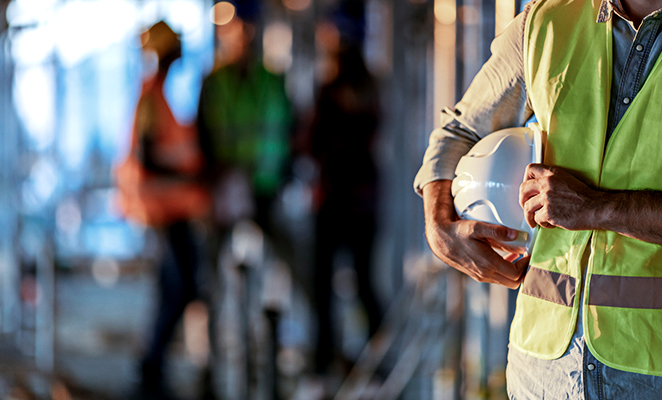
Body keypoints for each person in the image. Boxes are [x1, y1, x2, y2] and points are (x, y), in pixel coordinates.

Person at [415, 0, 662, 398]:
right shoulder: (548, 21)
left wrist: (595, 208)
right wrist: (439, 226)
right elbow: (459, 130)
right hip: (542, 370)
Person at [115, 21, 211, 399]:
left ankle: (153, 367)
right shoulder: (150, 98)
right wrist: (190, 175)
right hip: (162, 210)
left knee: (178, 286)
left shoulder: (159, 95)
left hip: (173, 209)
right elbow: (148, 158)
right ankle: (149, 368)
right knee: (178, 286)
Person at [309, 45, 383, 375]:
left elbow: (312, 142)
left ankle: (324, 359)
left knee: (323, 285)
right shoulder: (370, 96)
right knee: (365, 284)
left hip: (335, 201)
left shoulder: (329, 95)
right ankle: (379, 360)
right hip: (362, 203)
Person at [197, 4, 292, 235]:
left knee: (264, 256)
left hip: (266, 186)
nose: (240, 34)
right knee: (227, 260)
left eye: (244, 26)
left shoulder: (273, 80)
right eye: (232, 26)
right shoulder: (215, 82)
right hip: (225, 186)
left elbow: (289, 129)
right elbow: (202, 132)